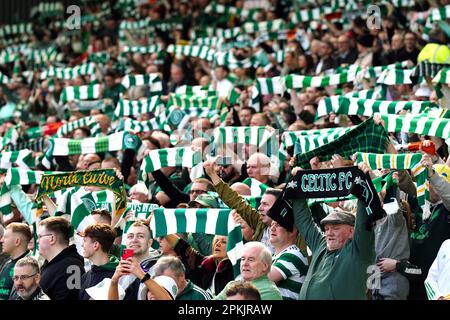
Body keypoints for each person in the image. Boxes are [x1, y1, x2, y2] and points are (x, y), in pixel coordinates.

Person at [291, 162, 376, 299]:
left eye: (336, 228)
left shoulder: (360, 250)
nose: (329, 233)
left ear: (352, 232)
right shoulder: (321, 245)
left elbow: (364, 220)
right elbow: (303, 221)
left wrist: (364, 181)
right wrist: (298, 185)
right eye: (327, 229)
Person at [163, 233, 234, 296]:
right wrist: (163, 230)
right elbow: (184, 249)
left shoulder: (236, 268)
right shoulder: (207, 264)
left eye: (224, 242)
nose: (217, 244)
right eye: (216, 241)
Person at [38, 217, 85, 300]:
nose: (37, 241)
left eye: (40, 236)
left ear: (52, 238)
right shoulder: (50, 264)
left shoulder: (72, 267)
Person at [215, 241, 282, 300]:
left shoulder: (270, 292)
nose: (245, 263)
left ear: (264, 266)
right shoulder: (232, 285)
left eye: (251, 260)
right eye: (243, 259)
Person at [79, 223, 119, 300]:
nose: (81, 245)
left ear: (96, 245)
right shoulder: (85, 277)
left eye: (85, 241)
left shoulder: (118, 276)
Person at [0, 223, 31, 300]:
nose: (1, 240)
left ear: (17, 241)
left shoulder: (30, 266)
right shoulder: (6, 262)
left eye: (5, 237)